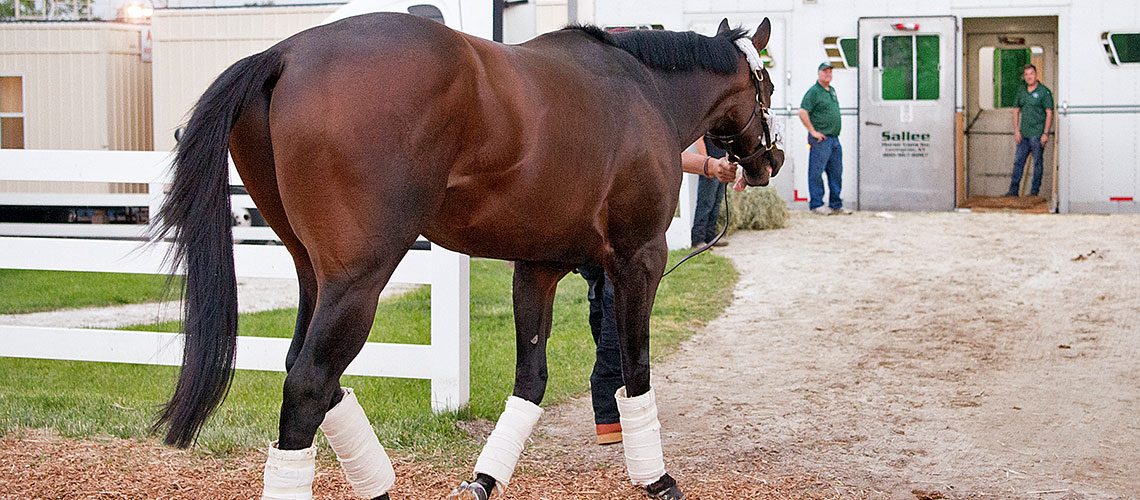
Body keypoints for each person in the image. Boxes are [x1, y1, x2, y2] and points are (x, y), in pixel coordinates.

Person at [581, 148, 736, 445]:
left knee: (602, 300)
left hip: (588, 213)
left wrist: (710, 166)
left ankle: (612, 401)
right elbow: (657, 147)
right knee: (618, 305)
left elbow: (661, 147)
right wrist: (709, 165)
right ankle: (609, 410)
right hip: (615, 218)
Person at [798, 62, 851, 215]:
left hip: (834, 139)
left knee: (836, 172)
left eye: (830, 72)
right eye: (825, 71)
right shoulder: (814, 92)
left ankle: (836, 204)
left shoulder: (831, 90)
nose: (828, 74)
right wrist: (813, 131)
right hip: (821, 140)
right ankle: (817, 204)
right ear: (819, 73)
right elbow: (802, 111)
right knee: (816, 172)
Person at [1006, 64, 1054, 197]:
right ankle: (1013, 191)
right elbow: (1015, 110)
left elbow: (1049, 113)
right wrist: (1016, 130)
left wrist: (1045, 133)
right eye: (1026, 74)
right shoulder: (1021, 91)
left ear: (1036, 74)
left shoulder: (1044, 92)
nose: (1029, 77)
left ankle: (1034, 193)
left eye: (1031, 74)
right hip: (1023, 135)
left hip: (1037, 135)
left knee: (1037, 164)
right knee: (1018, 162)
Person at [692, 136, 730, 248]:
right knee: (706, 203)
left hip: (722, 165)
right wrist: (706, 163)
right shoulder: (707, 121)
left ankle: (710, 237)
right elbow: (698, 139)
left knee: (716, 203)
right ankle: (698, 239)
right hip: (711, 167)